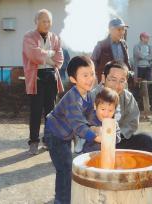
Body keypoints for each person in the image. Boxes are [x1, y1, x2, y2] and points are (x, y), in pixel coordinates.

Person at [44, 56, 98, 204]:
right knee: (65, 168)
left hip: (65, 135)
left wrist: (100, 126)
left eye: (92, 73)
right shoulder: (72, 99)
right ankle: (61, 200)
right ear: (73, 79)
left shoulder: (89, 94)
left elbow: (92, 114)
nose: (90, 79)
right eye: (85, 75)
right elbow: (79, 125)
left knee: (67, 165)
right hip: (54, 134)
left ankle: (66, 197)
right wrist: (95, 136)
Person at [22, 9, 64, 155]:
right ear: (37, 22)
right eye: (43, 21)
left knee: (51, 112)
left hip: (52, 75)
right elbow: (33, 55)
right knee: (35, 111)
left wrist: (46, 56)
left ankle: (48, 140)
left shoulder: (55, 38)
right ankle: (33, 142)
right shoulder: (29, 36)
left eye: (49, 21)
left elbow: (60, 58)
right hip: (36, 76)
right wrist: (50, 54)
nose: (47, 24)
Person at [92, 61, 152, 152]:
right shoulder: (93, 96)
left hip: (119, 139)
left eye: (122, 81)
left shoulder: (127, 97)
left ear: (126, 82)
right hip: (98, 141)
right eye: (113, 79)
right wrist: (101, 133)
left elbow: (132, 121)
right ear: (104, 78)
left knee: (146, 140)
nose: (117, 85)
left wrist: (118, 135)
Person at [75, 87, 121, 153]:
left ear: (114, 111)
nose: (106, 114)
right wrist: (94, 131)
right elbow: (81, 131)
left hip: (107, 154)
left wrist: (111, 136)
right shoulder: (90, 119)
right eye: (103, 109)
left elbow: (118, 138)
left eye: (110, 110)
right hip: (89, 153)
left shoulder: (113, 123)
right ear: (95, 106)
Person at [91, 18, 130, 82]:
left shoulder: (124, 45)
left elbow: (127, 62)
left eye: (123, 29)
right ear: (110, 30)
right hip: (106, 83)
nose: (122, 32)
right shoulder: (101, 45)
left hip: (121, 82)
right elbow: (92, 63)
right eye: (119, 29)